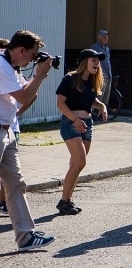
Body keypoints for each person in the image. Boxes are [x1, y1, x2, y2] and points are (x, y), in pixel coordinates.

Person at [0, 30, 56, 250]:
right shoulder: (2, 66)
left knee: (15, 183)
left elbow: (27, 92)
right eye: (33, 55)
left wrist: (36, 76)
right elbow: (24, 96)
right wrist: (40, 74)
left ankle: (25, 237)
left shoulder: (13, 67)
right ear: (21, 50)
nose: (34, 60)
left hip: (7, 131)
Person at [55, 49, 108, 215]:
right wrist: (74, 120)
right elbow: (60, 103)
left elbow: (92, 101)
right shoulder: (70, 79)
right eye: (93, 60)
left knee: (76, 164)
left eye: (98, 61)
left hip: (88, 124)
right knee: (80, 162)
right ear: (84, 62)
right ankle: (63, 201)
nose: (97, 63)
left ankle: (68, 201)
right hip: (71, 123)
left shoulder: (91, 82)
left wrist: (102, 106)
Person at [90, 29, 112, 106]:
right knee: (99, 96)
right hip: (100, 75)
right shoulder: (94, 48)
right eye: (104, 36)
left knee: (105, 98)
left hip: (108, 75)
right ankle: (94, 113)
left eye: (107, 37)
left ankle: (101, 114)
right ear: (98, 37)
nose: (106, 38)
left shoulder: (107, 48)